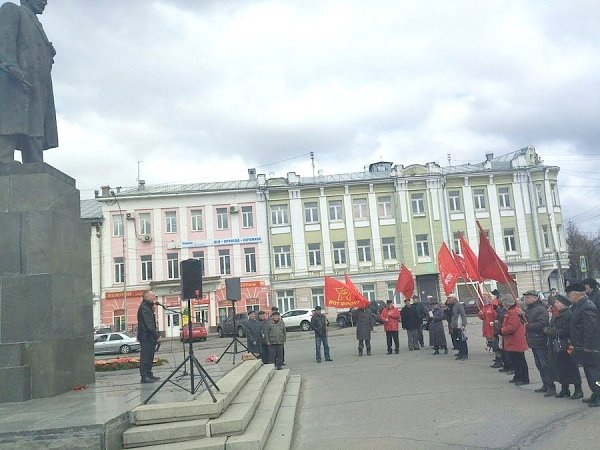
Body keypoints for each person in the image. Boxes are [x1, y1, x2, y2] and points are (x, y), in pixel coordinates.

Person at [0, 0, 58, 164]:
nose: (44, 2)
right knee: (11, 121)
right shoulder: (12, 9)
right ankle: (3, 160)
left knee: (34, 127)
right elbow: (4, 38)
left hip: (37, 87)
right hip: (16, 80)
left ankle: (35, 163)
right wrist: (10, 64)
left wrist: (49, 54)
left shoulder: (38, 26)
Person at [566, 281, 600, 407]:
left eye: (569, 295)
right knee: (589, 372)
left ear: (575, 295)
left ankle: (599, 394)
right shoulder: (579, 305)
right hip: (582, 346)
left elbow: (590, 329)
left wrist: (588, 346)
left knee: (595, 373)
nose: (569, 298)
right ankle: (595, 393)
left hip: (590, 347)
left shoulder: (587, 306)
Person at [544, 294, 583, 399]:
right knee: (560, 367)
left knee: (571, 367)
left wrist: (553, 331)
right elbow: (552, 325)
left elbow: (567, 331)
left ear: (564, 304)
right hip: (556, 344)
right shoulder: (557, 314)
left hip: (566, 345)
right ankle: (565, 389)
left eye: (557, 302)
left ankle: (578, 389)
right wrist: (548, 329)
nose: (555, 304)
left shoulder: (568, 315)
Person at [523, 290, 552, 394]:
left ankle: (550, 386)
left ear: (535, 298)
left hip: (540, 339)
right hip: (533, 340)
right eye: (525, 298)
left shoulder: (540, 309)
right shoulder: (529, 309)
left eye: (528, 297)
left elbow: (543, 323)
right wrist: (521, 316)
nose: (526, 299)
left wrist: (529, 326)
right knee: (539, 364)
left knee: (544, 364)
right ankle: (545, 384)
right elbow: (525, 321)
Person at [499, 294, 529, 386]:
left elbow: (512, 327)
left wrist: (501, 330)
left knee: (519, 360)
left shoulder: (514, 311)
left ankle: (523, 378)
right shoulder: (511, 310)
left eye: (503, 302)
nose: (502, 304)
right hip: (513, 339)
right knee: (515, 359)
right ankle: (517, 376)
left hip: (516, 339)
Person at [137, 290, 160, 383]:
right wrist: (156, 335)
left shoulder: (148, 307)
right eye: (153, 296)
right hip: (145, 336)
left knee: (150, 356)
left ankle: (149, 374)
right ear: (147, 297)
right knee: (145, 356)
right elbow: (148, 323)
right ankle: (144, 376)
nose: (154, 297)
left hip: (150, 336)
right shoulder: (144, 308)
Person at [478, 294, 500, 367]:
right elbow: (483, 317)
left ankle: (499, 359)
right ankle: (497, 358)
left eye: (485, 297)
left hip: (492, 328)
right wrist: (480, 314)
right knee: (492, 344)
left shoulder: (492, 306)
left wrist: (494, 323)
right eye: (483, 297)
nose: (483, 298)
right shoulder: (484, 307)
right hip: (487, 327)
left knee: (496, 345)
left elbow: (497, 317)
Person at [448, 295, 468, 360]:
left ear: (454, 299)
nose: (448, 300)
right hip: (454, 326)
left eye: (449, 298)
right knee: (457, 341)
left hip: (459, 326)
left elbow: (463, 315)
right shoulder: (452, 305)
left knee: (462, 341)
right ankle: (460, 352)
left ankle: (464, 354)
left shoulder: (459, 305)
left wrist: (463, 325)